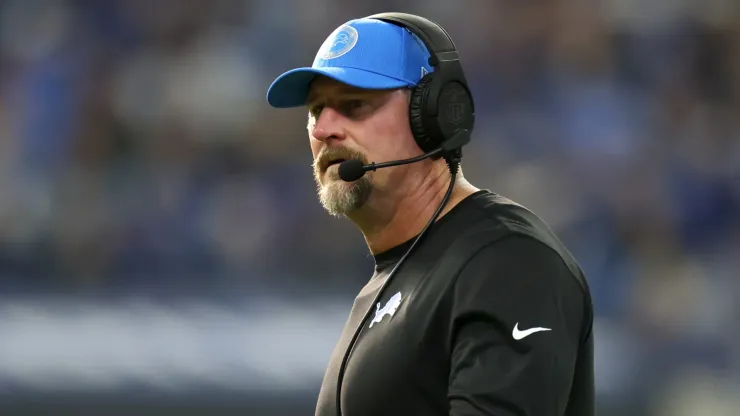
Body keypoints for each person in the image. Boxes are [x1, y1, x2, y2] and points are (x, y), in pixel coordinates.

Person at [266, 12, 595, 416]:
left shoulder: (507, 260)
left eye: (354, 105)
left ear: (435, 116)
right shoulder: (391, 281)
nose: (323, 130)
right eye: (316, 111)